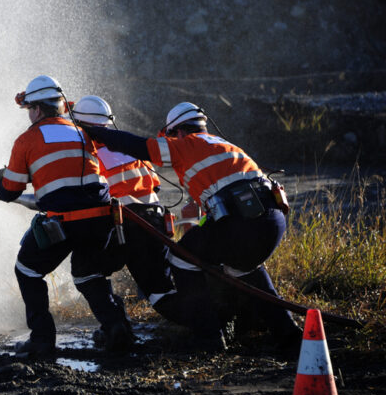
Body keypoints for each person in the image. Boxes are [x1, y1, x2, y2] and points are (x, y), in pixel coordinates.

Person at [82, 101, 303, 351]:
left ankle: (209, 335)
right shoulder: (223, 145)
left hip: (241, 221)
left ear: (178, 132)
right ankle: (288, 334)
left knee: (182, 258)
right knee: (244, 269)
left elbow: (137, 146)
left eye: (170, 137)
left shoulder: (187, 144)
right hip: (271, 220)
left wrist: (93, 132)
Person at [0, 75, 134, 357]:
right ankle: (116, 327)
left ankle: (42, 340)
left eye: (29, 109)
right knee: (88, 275)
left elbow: (10, 191)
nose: (28, 115)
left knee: (27, 270)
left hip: (66, 222)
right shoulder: (81, 131)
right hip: (102, 220)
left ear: (37, 109)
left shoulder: (27, 139)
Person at [70, 96, 222, 349]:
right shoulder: (127, 148)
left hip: (122, 223)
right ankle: (213, 323)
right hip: (153, 220)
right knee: (160, 293)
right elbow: (155, 185)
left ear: (81, 125)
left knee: (85, 271)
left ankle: (115, 326)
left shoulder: (88, 153)